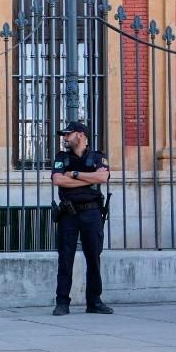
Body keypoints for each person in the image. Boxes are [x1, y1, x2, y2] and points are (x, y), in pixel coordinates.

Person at [51, 120, 112, 316]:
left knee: (93, 257)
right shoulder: (62, 158)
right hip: (69, 213)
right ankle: (62, 302)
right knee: (65, 259)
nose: (65, 138)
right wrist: (88, 178)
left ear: (80, 135)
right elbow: (58, 180)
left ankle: (94, 301)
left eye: (68, 135)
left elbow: (103, 178)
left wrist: (75, 175)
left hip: (92, 212)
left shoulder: (97, 157)